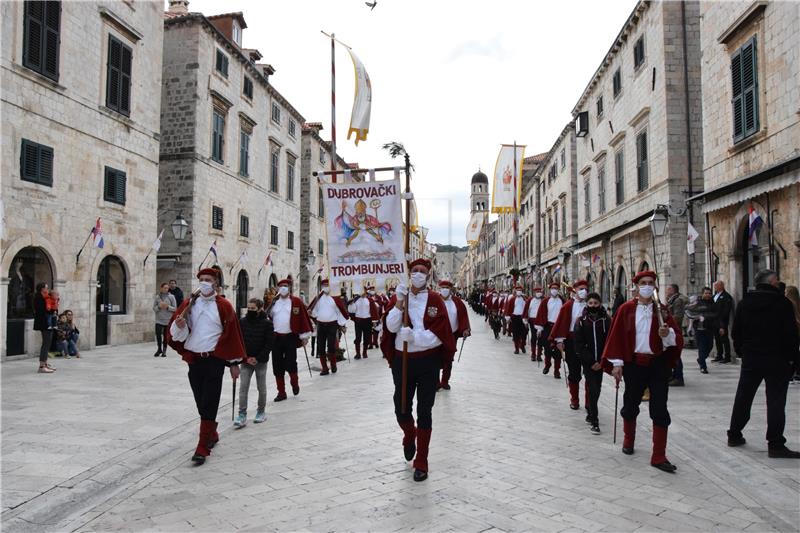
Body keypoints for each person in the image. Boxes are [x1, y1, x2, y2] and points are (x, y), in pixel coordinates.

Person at [380, 259, 456, 482]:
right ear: (409, 273)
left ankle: (421, 460)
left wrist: (416, 337)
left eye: (423, 272)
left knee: (425, 409)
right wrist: (399, 303)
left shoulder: (434, 300)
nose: (418, 275)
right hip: (402, 361)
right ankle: (409, 433)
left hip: (427, 361)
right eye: (415, 271)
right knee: (401, 406)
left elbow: (440, 333)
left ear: (428, 275)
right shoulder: (399, 297)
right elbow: (391, 326)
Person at [602, 270, 683, 473]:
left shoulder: (662, 310)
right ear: (637, 286)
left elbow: (675, 340)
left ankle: (659, 455)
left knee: (660, 408)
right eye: (643, 283)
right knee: (631, 403)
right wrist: (617, 364)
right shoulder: (626, 309)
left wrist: (667, 334)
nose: (647, 286)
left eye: (651, 283)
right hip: (634, 364)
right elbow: (618, 337)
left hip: (657, 364)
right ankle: (628, 440)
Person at [167, 268, 246, 465]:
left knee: (210, 401)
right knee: (201, 401)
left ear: (216, 283)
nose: (204, 282)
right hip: (195, 360)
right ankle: (212, 431)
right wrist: (180, 324)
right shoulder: (189, 304)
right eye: (201, 279)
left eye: (208, 280)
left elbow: (232, 335)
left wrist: (234, 363)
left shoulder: (224, 306)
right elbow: (178, 335)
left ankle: (202, 447)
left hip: (214, 360)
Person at [727, 269, 800, 458]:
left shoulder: (745, 303)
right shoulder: (782, 304)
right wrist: (792, 359)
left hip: (752, 357)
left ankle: (734, 434)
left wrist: (743, 350)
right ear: (773, 282)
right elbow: (791, 335)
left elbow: (736, 332)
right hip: (777, 359)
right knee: (775, 401)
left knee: (744, 395)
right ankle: (775, 444)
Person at [269, 279, 313, 401]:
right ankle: (281, 392)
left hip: (290, 337)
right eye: (281, 286)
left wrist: (304, 336)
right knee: (277, 366)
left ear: (289, 288)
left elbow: (303, 318)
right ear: (277, 289)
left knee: (291, 363)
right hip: (276, 338)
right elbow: (268, 317)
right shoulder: (273, 303)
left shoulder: (296, 301)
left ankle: (294, 383)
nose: (283, 288)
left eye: (285, 286)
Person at [574, 293, 611, 434]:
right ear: (587, 304)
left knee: (598, 388)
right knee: (593, 387)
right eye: (590, 303)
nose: (593, 306)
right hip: (588, 362)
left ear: (600, 304)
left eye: (596, 303)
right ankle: (595, 420)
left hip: (601, 361)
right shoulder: (581, 321)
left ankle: (591, 410)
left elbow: (609, 341)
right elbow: (579, 344)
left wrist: (602, 361)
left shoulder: (606, 320)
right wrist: (590, 361)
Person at [234, 298, 273, 427]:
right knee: (243, 387)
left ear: (260, 308)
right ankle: (242, 414)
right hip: (246, 360)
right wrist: (246, 358)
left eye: (253, 308)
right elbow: (239, 341)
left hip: (260, 361)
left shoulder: (267, 324)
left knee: (261, 387)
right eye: (249, 308)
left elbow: (269, 344)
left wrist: (258, 358)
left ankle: (261, 411)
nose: (250, 310)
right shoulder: (242, 322)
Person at [550, 280, 589, 410]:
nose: (584, 291)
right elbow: (562, 322)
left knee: (589, 373)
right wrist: (560, 340)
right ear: (575, 290)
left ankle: (589, 402)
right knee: (574, 372)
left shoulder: (590, 305)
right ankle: (575, 399)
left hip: (587, 343)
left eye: (586, 289)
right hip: (572, 342)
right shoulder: (568, 306)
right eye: (581, 288)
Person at [307, 279, 349, 375]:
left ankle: (333, 365)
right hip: (321, 325)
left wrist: (342, 324)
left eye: (327, 285)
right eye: (324, 285)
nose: (326, 287)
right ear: (321, 287)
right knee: (321, 347)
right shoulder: (318, 298)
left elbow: (340, 312)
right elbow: (314, 311)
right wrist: (311, 313)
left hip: (332, 325)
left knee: (331, 346)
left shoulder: (335, 298)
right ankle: (324, 368)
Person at [437, 279, 470, 390]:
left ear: (450, 289)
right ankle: (436, 382)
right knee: (435, 358)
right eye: (443, 288)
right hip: (436, 335)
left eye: (447, 288)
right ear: (439, 289)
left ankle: (445, 381)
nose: (445, 290)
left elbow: (463, 316)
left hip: (452, 334)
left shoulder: (457, 302)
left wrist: (465, 329)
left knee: (448, 358)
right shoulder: (434, 300)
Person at [534, 282, 564, 378]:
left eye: (556, 288)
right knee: (547, 348)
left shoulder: (562, 301)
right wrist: (539, 328)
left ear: (558, 290)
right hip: (548, 326)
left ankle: (557, 370)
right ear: (550, 290)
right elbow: (541, 314)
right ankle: (547, 365)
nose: (554, 290)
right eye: (553, 288)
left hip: (559, 327)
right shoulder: (545, 301)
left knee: (558, 350)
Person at [686, 287, 716, 374]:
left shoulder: (712, 303)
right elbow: (688, 311)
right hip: (699, 329)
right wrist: (696, 318)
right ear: (702, 294)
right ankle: (703, 367)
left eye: (709, 293)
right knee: (702, 348)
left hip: (709, 328)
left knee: (709, 346)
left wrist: (707, 317)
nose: (708, 295)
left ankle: (701, 359)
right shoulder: (697, 303)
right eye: (706, 293)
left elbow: (716, 314)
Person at [666, 284, 689, 386]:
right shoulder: (671, 300)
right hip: (671, 330)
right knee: (671, 354)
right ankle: (672, 375)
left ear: (673, 290)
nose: (666, 290)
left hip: (674, 331)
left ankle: (678, 377)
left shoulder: (677, 301)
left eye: (668, 289)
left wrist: (667, 321)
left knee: (676, 355)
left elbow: (677, 316)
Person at [348, 285, 379, 359]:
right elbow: (352, 311)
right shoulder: (356, 300)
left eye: (363, 290)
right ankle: (358, 353)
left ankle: (364, 352)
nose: (362, 292)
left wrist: (374, 321)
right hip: (358, 321)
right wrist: (351, 304)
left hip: (367, 320)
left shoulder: (369, 300)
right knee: (358, 338)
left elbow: (373, 311)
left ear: (366, 291)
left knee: (367, 337)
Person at [33, 282, 55, 373]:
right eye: (46, 287)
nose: (48, 289)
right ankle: (42, 366)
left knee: (47, 343)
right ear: (42, 289)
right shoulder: (39, 298)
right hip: (44, 323)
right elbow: (43, 311)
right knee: (45, 344)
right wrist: (51, 310)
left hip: (46, 323)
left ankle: (45, 363)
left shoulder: (45, 297)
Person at [712, 280, 734, 363]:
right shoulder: (715, 295)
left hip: (722, 321)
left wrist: (722, 324)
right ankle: (719, 355)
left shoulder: (726, 296)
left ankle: (727, 356)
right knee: (717, 339)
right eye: (715, 286)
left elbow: (726, 311)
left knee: (724, 339)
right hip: (715, 321)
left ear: (721, 286)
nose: (715, 287)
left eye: (716, 286)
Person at [153, 282, 177, 358]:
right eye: (165, 288)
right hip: (159, 319)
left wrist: (167, 307)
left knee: (166, 336)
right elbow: (154, 308)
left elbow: (175, 309)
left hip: (168, 320)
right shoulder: (157, 297)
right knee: (158, 335)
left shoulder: (171, 297)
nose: (166, 289)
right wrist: (159, 307)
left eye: (167, 288)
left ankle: (164, 350)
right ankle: (159, 349)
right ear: (161, 288)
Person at [504, 284, 528, 355]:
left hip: (523, 318)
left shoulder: (525, 299)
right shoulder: (512, 299)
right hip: (515, 318)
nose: (519, 292)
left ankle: (522, 345)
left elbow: (527, 308)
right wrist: (508, 317)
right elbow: (509, 308)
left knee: (524, 333)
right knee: (515, 334)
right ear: (516, 291)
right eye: (518, 290)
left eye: (520, 290)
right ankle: (516, 348)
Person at [524, 286, 544, 362]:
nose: (538, 293)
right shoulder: (530, 300)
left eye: (540, 291)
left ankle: (539, 354)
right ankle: (533, 354)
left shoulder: (544, 300)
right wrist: (525, 320)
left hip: (541, 321)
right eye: (537, 291)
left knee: (541, 338)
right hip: (532, 320)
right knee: (534, 337)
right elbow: (526, 310)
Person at [785, 286, 800, 384]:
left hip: (793, 332)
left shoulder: (788, 304)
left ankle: (790, 374)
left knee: (791, 354)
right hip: (797, 332)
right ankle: (797, 373)